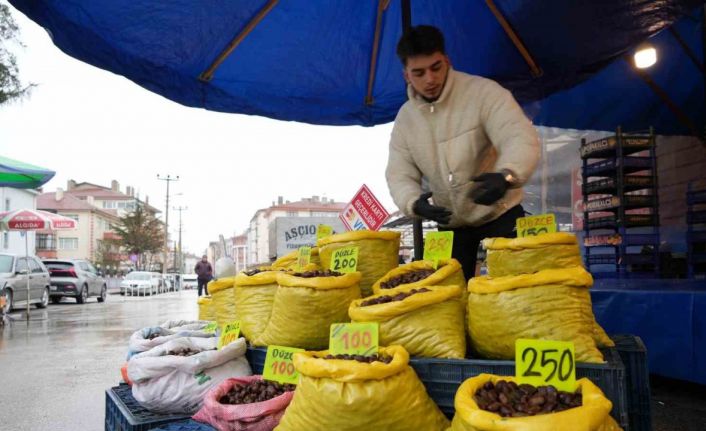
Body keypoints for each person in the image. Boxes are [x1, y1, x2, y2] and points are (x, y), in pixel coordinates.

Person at [386, 25, 540, 280]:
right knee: (448, 301)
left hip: (501, 215)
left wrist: (507, 175)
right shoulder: (405, 120)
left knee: (517, 294)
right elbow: (398, 173)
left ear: (447, 60)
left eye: (436, 67)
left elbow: (518, 135)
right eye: (419, 73)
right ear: (406, 76)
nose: (430, 79)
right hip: (450, 225)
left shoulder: (485, 93)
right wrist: (413, 202)